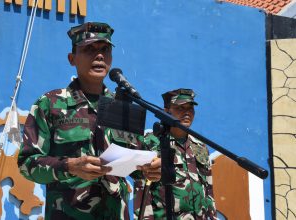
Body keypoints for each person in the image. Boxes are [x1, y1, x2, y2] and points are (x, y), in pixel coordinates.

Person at [17, 22, 161, 220]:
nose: (99, 55)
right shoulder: (49, 104)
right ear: (72, 59)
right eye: (89, 49)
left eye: (105, 49)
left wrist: (150, 169)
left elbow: (136, 164)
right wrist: (70, 165)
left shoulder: (121, 107)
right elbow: (27, 163)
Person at [135, 88, 217, 219]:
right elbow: (142, 189)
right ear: (166, 111)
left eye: (190, 108)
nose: (187, 112)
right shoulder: (150, 141)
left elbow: (208, 189)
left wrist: (212, 216)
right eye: (180, 108)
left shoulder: (200, 146)